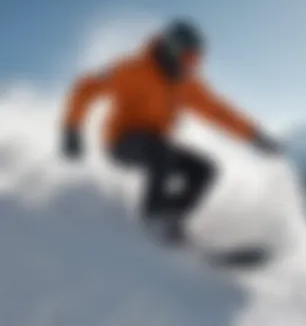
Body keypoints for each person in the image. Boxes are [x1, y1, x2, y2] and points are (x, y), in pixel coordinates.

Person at [61, 18, 283, 244]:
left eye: (196, 60)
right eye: (188, 58)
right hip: (121, 142)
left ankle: (173, 217)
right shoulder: (130, 70)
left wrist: (255, 136)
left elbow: (219, 112)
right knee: (162, 152)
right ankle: (154, 218)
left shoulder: (186, 84)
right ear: (172, 49)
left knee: (204, 170)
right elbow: (86, 89)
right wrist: (71, 128)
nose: (191, 65)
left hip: (157, 146)